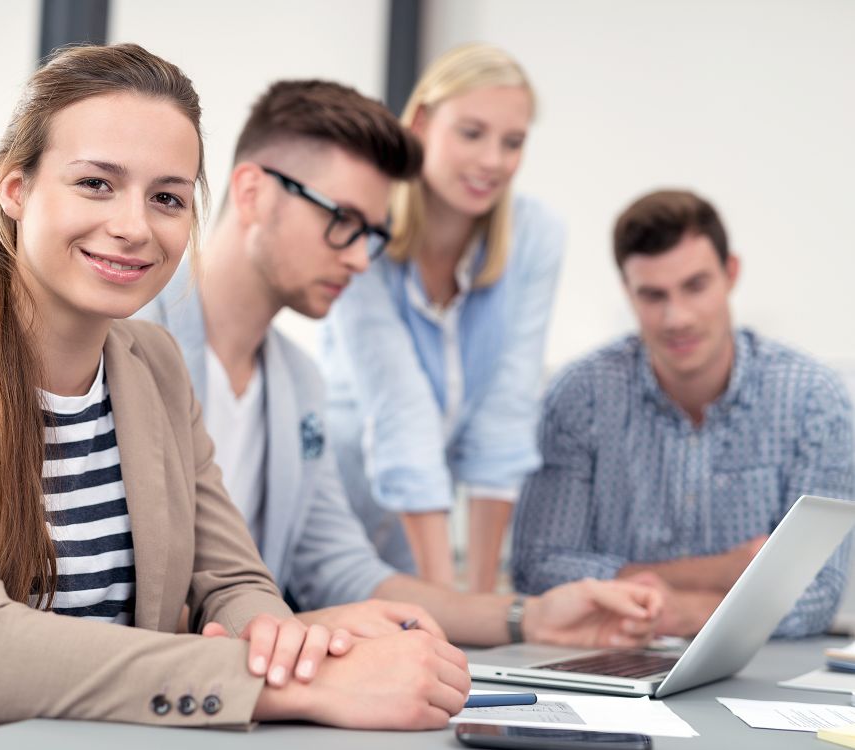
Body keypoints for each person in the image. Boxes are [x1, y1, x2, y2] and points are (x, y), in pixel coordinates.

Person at [0, 45, 474, 750]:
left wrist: (282, 641)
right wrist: (300, 686)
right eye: (96, 183)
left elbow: (233, 578)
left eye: (167, 198)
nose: (135, 226)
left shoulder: (154, 364)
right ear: (16, 189)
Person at [138, 79, 660, 650]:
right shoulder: (126, 341)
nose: (361, 258)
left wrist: (527, 617)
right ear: (253, 192)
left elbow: (345, 570)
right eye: (343, 220)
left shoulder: (297, 386)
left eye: (372, 234)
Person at [511, 189, 855, 638]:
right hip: (608, 654)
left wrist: (678, 612)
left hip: (759, 667)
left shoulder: (814, 401)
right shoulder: (580, 398)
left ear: (731, 274)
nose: (677, 318)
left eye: (695, 286)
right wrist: (725, 571)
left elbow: (817, 594)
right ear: (628, 293)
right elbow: (538, 569)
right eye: (653, 295)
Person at [318, 44, 564, 592]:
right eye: (472, 133)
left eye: (513, 142)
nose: (493, 161)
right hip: (330, 523)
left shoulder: (535, 238)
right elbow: (400, 412)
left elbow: (505, 413)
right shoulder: (367, 229)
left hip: (417, 540)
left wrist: (476, 603)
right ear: (424, 122)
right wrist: (449, 611)